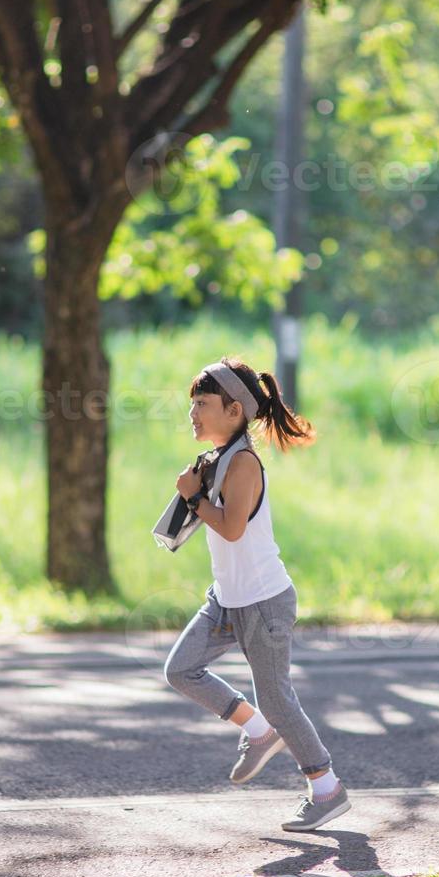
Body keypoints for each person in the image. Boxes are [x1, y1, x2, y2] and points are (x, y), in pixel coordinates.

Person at [162, 356, 351, 832]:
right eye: (192, 404)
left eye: (202, 404)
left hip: (264, 603)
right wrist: (194, 492)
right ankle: (257, 730)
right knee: (181, 669)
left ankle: (326, 788)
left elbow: (230, 528)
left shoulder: (243, 462)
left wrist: (193, 498)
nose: (193, 413)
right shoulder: (217, 459)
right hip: (226, 600)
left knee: (279, 699)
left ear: (234, 410)